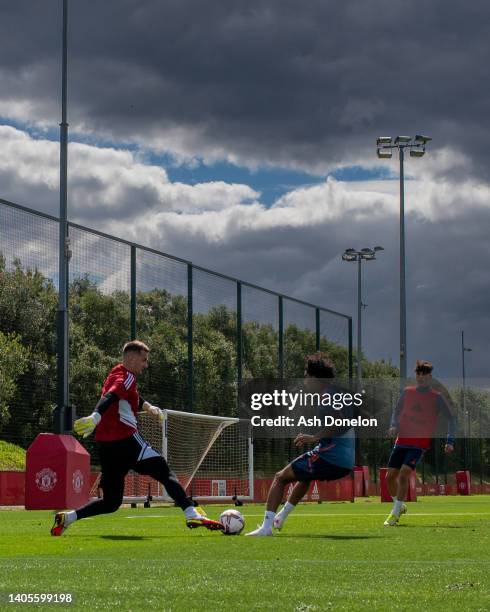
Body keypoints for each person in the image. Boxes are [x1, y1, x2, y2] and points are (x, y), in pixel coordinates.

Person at [51, 340, 222, 535]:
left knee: (111, 502)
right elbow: (113, 396)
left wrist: (149, 408)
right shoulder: (127, 377)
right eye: (143, 360)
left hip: (107, 448)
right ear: (132, 358)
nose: (145, 364)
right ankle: (191, 512)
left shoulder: (116, 374)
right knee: (164, 472)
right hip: (127, 441)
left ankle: (68, 517)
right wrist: (96, 416)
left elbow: (125, 395)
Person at [246, 352, 355, 536]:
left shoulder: (328, 397)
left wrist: (314, 437)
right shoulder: (337, 393)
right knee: (304, 476)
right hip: (345, 460)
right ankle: (280, 518)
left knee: (280, 477)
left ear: (315, 378)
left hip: (332, 455)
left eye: (306, 375)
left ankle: (266, 528)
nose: (304, 379)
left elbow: (339, 422)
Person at [384, 359, 456, 527]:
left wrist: (450, 440)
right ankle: (400, 506)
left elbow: (451, 420)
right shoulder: (407, 392)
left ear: (430, 376)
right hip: (401, 441)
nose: (421, 377)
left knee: (403, 475)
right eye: (419, 373)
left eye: (425, 374)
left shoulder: (437, 398)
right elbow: (396, 411)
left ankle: (394, 515)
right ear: (416, 375)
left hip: (418, 445)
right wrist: (393, 425)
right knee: (389, 478)